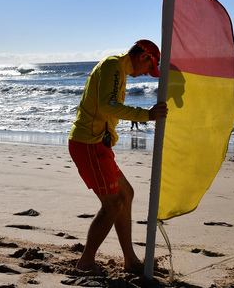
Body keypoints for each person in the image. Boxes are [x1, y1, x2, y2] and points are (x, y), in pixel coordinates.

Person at [68, 39, 168, 274]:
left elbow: (107, 106)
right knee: (113, 205)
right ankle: (86, 261)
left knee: (126, 193)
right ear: (144, 56)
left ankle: (130, 260)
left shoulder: (118, 69)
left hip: (98, 144)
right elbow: (107, 106)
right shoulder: (114, 65)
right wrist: (146, 115)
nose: (145, 74)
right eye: (149, 68)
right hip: (88, 143)